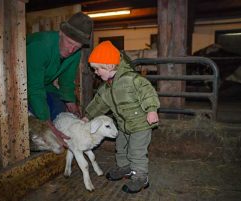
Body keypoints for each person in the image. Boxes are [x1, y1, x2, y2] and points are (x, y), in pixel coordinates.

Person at [82, 41, 160, 193]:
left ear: (110, 66)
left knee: (136, 151)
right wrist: (87, 116)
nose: (96, 72)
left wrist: (151, 109)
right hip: (123, 125)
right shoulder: (106, 88)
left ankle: (140, 178)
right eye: (94, 69)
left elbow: (147, 92)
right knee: (121, 148)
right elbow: (98, 103)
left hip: (140, 124)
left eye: (98, 69)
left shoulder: (132, 80)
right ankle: (125, 168)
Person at [26, 12, 93, 147]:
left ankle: (55, 137)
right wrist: (46, 121)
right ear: (61, 32)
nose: (71, 49)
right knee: (38, 118)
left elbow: (67, 81)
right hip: (23, 85)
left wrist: (71, 102)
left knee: (59, 110)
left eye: (77, 46)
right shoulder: (39, 46)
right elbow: (35, 88)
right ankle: (37, 142)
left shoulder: (75, 53)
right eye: (69, 42)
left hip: (45, 85)